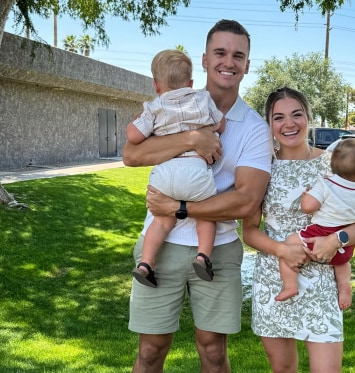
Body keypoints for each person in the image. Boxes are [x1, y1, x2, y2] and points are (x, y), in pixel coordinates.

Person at [123, 19, 273, 373]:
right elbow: (131, 155)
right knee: (150, 351)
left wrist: (178, 209)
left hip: (218, 248)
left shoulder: (254, 128)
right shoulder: (168, 105)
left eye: (239, 55)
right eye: (220, 52)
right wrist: (192, 140)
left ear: (247, 65)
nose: (229, 61)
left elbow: (246, 201)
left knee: (214, 352)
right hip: (160, 247)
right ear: (204, 60)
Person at [242, 87, 355, 373]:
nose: (288, 124)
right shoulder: (261, 166)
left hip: (323, 280)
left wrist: (336, 240)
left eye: (296, 114)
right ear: (269, 123)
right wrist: (283, 250)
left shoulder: (334, 164)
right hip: (275, 279)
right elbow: (250, 231)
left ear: (308, 117)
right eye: (278, 117)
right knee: (283, 370)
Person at [127, 49, 225, 287]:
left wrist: (141, 120)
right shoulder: (202, 99)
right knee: (206, 216)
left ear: (156, 85)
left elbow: (133, 135)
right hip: (195, 171)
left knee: (160, 221)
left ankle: (146, 263)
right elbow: (220, 124)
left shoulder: (154, 107)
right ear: (191, 83)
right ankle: (203, 257)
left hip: (165, 174)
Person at [276, 138, 355, 307]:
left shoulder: (326, 184)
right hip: (347, 243)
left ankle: (290, 285)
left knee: (287, 246)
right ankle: (344, 286)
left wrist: (306, 196)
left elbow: (308, 207)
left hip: (318, 233)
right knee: (342, 264)